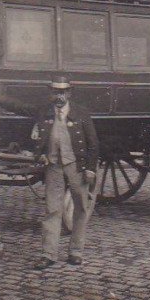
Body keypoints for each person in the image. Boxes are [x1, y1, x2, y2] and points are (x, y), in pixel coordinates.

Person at [32, 76, 99, 269]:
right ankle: (48, 254)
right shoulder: (44, 112)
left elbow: (93, 144)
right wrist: (41, 154)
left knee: (81, 208)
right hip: (53, 166)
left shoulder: (81, 113)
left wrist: (91, 170)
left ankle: (75, 252)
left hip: (77, 166)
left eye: (62, 92)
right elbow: (22, 111)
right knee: (52, 209)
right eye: (55, 92)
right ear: (50, 93)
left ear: (69, 93)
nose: (59, 96)